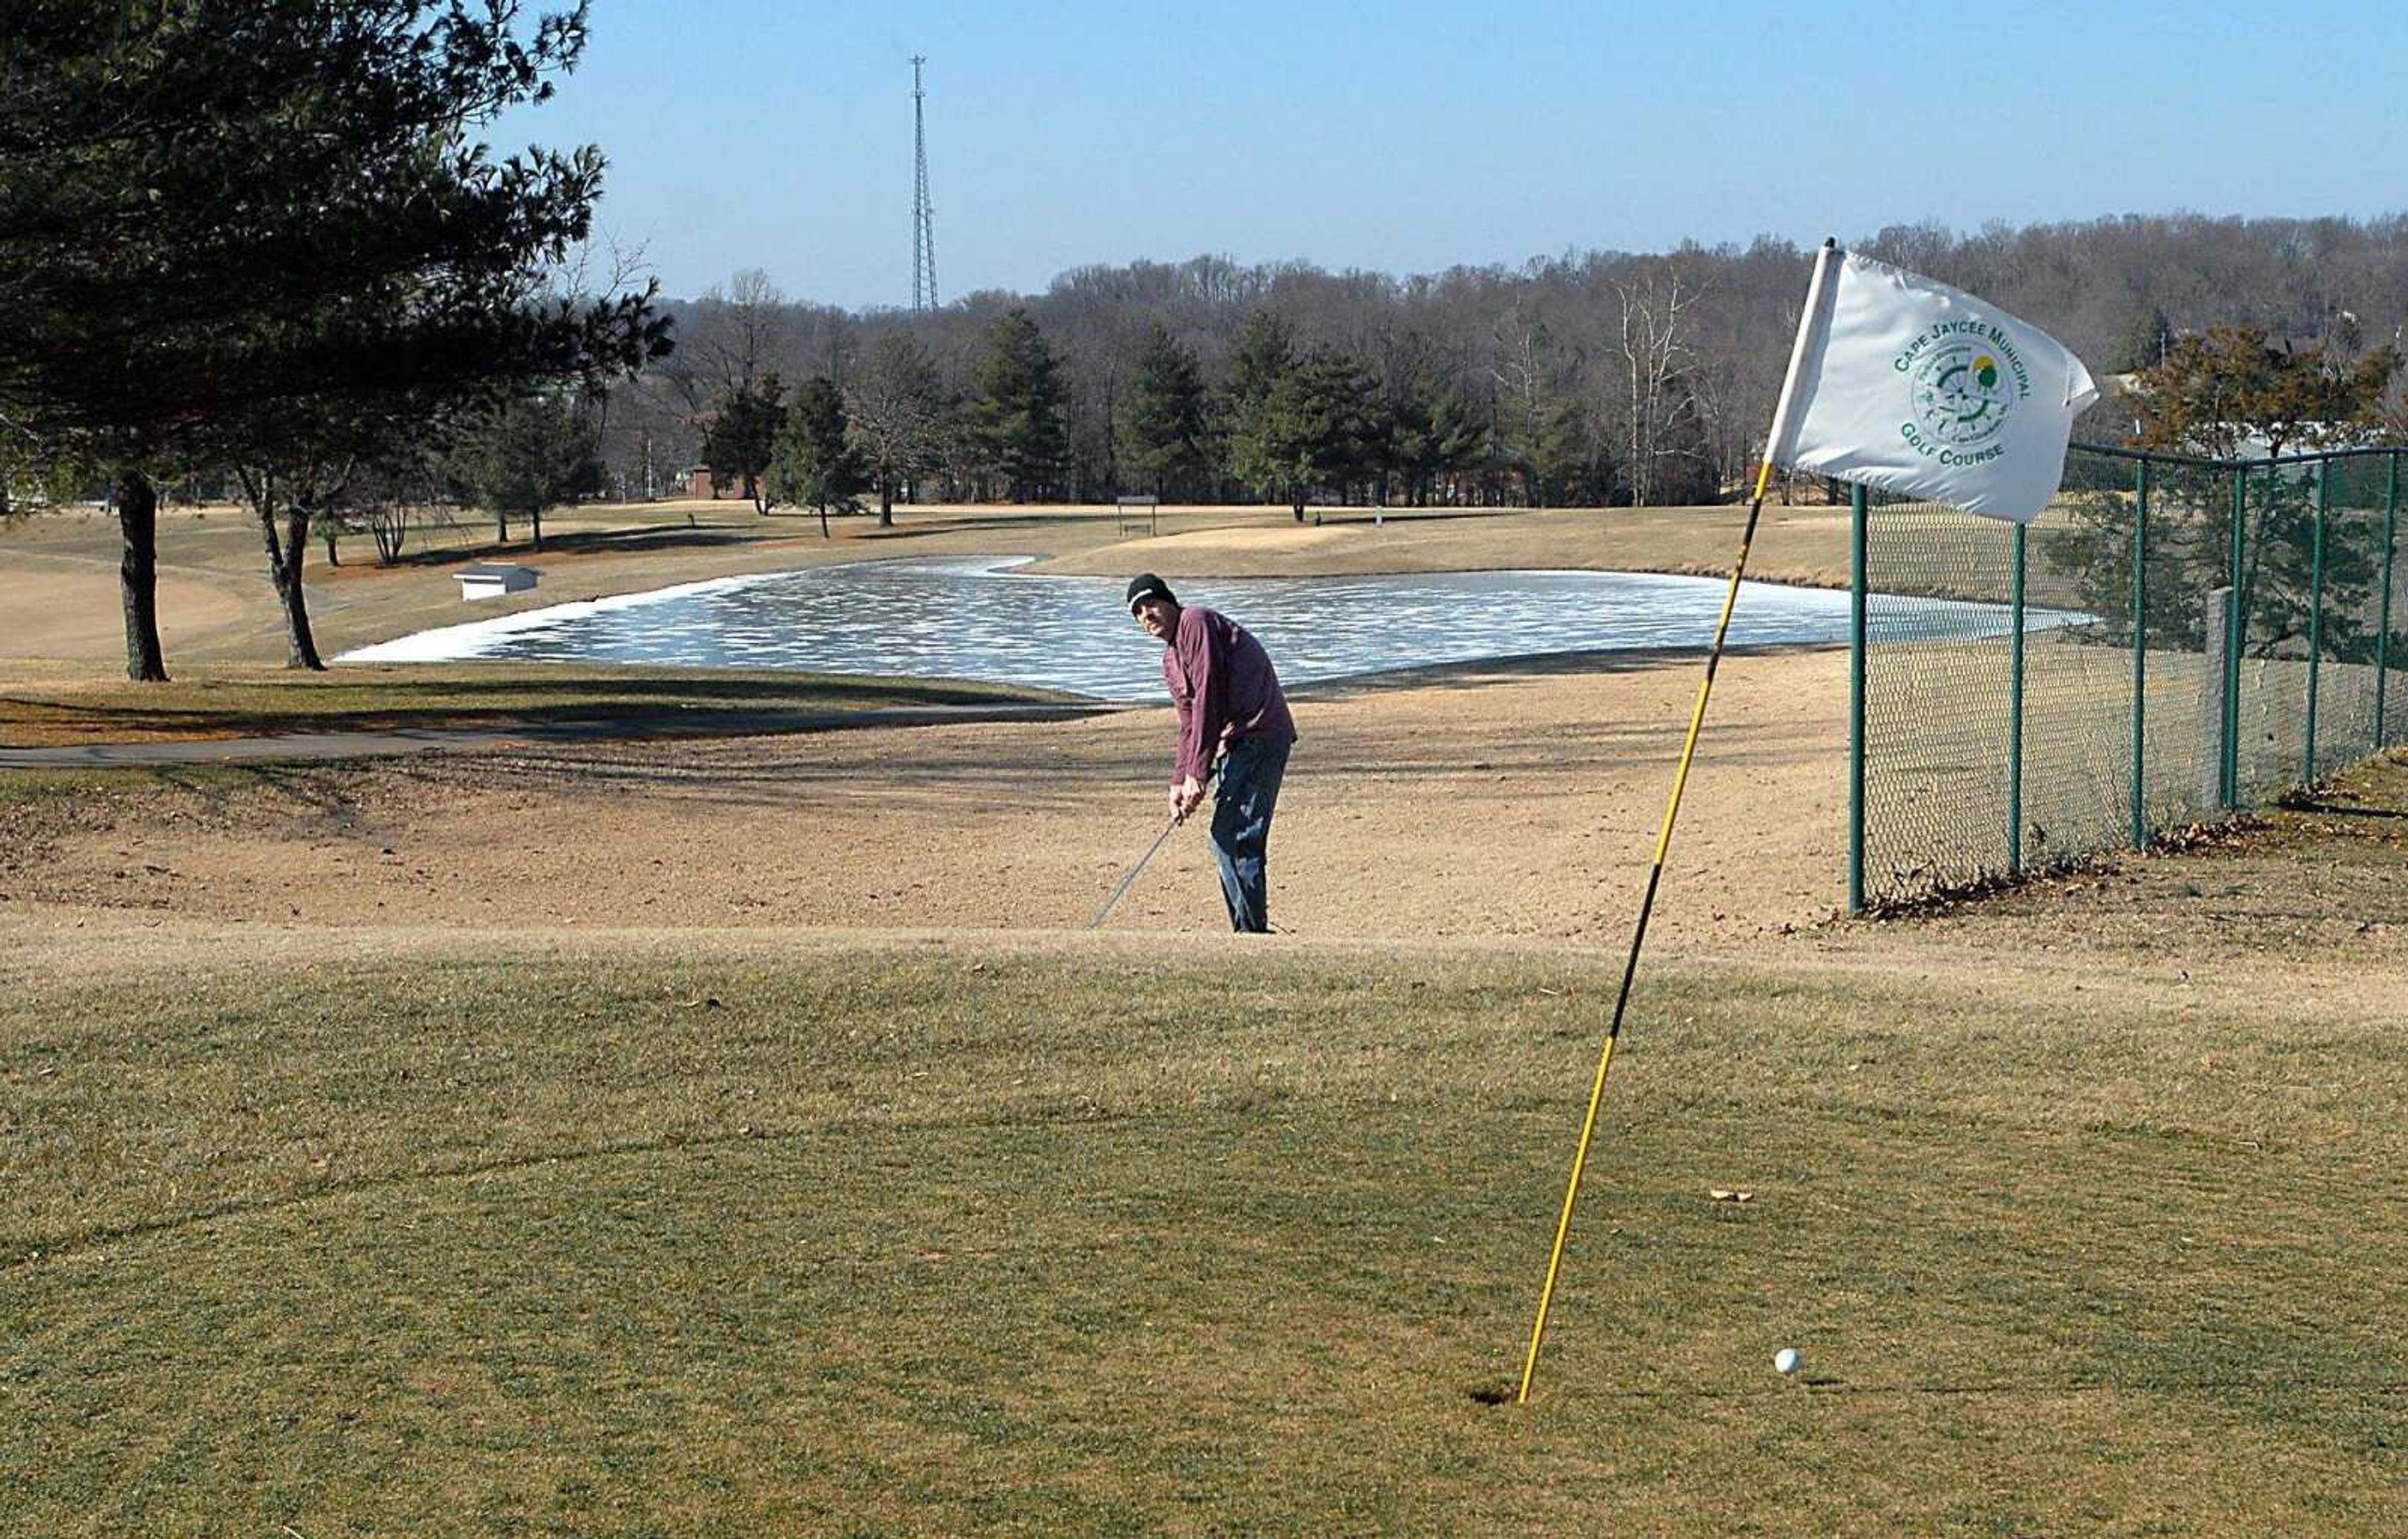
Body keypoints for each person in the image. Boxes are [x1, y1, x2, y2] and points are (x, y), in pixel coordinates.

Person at [1125, 572, 1297, 933]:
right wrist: (1178, 781)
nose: (1147, 615)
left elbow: (1208, 697)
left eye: (1152, 604)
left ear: (1169, 601)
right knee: (1225, 836)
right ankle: (1247, 930)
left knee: (1235, 834)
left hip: (1260, 733)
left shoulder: (1195, 622)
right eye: (1138, 612)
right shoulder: (1170, 660)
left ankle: (1251, 933)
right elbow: (1189, 723)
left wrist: (1197, 774)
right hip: (1236, 742)